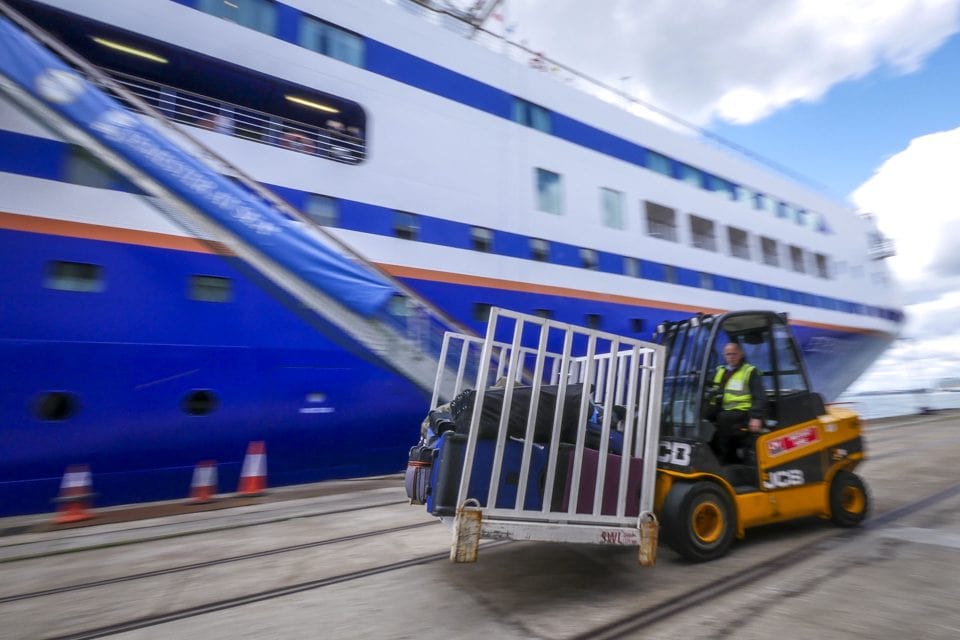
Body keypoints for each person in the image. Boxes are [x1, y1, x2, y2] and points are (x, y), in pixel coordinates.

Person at [709, 342, 766, 464]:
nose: (731, 357)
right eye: (728, 354)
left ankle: (727, 461)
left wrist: (756, 417)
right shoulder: (721, 371)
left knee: (724, 420)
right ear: (724, 355)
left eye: (734, 354)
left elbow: (759, 396)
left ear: (741, 354)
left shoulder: (750, 371)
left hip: (743, 413)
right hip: (725, 411)